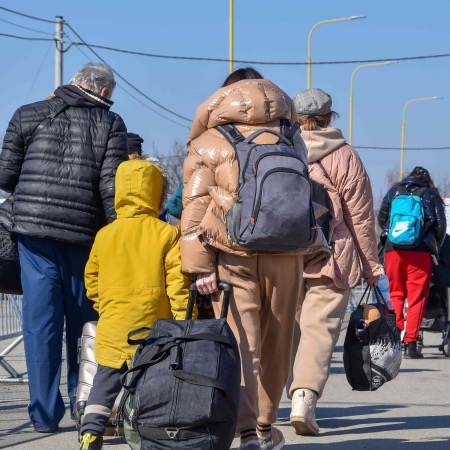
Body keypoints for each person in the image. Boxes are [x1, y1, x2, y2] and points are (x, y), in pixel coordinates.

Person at [180, 67, 323, 450]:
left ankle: (245, 432)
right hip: (287, 254)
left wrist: (199, 267)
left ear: (224, 96)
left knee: (242, 345)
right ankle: (263, 426)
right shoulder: (292, 135)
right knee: (279, 346)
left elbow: (194, 206)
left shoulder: (209, 141)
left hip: (231, 255)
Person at [0, 62, 128, 432]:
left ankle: (42, 414)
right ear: (104, 92)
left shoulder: (29, 113)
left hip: (34, 236)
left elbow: (6, 176)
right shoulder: (110, 123)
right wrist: (116, 235)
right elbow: (110, 187)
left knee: (40, 325)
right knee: (83, 323)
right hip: (85, 239)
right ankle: (83, 404)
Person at [287, 88, 383, 436]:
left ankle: (265, 406)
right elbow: (360, 217)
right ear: (330, 118)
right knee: (320, 331)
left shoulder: (280, 149)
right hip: (331, 254)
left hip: (283, 255)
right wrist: (371, 266)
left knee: (284, 332)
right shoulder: (345, 157)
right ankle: (303, 398)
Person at [79, 159, 191, 450]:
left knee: (103, 383)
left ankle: (91, 432)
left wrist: (104, 306)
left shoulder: (105, 235)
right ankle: (142, 435)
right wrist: (182, 321)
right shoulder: (166, 234)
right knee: (150, 383)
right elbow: (177, 284)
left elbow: (91, 278)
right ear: (156, 193)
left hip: (114, 325)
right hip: (153, 329)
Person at [378, 166, 446, 358]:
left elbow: (381, 218)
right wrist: (434, 247)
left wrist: (395, 236)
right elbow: (441, 225)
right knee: (416, 298)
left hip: (394, 251)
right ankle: (411, 343)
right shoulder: (430, 193)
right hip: (420, 252)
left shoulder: (395, 190)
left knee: (395, 295)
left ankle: (394, 339)